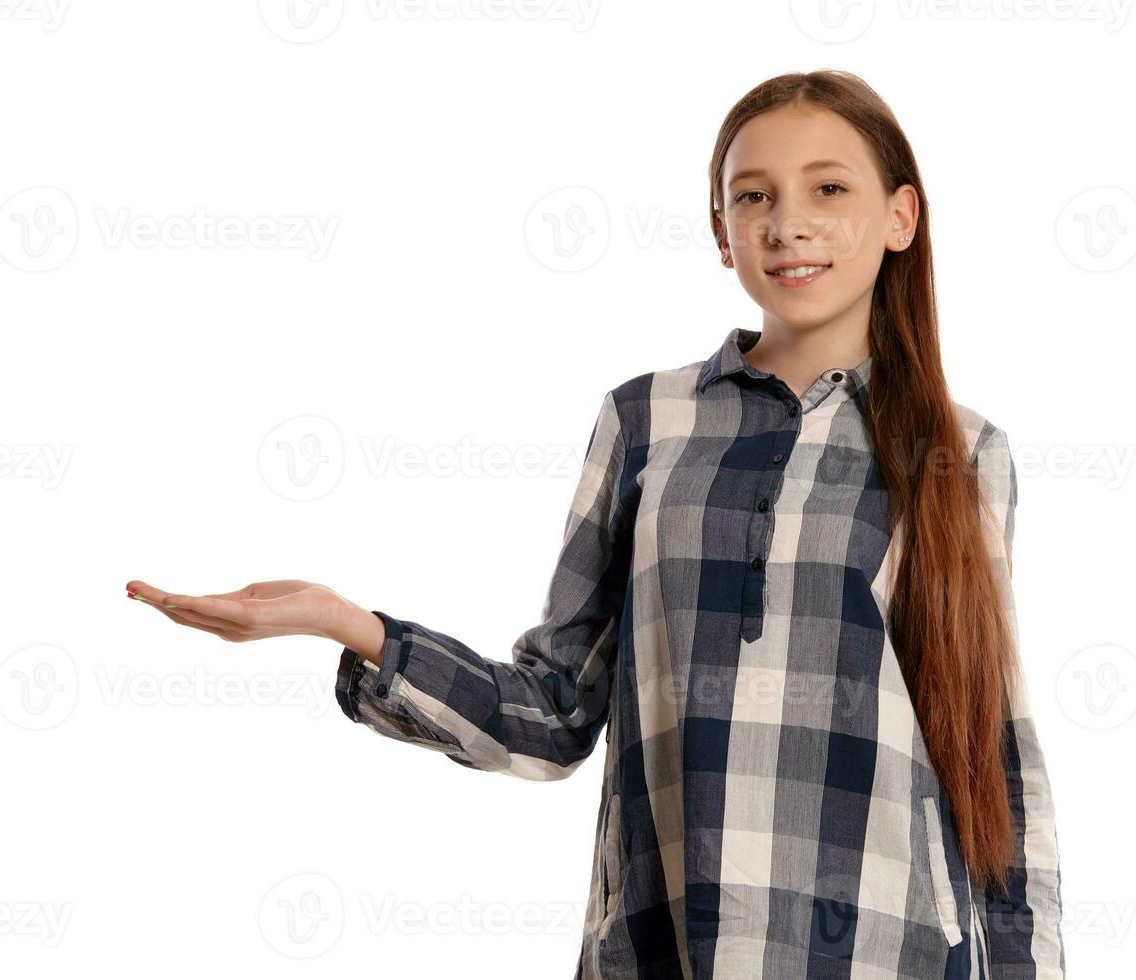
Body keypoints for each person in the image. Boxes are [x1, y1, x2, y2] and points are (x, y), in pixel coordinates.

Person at [127, 69, 1066, 980]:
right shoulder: (645, 421)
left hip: (886, 946)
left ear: (902, 215)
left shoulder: (959, 450)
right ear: (720, 230)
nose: (789, 224)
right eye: (753, 196)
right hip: (667, 942)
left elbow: (989, 753)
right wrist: (352, 627)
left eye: (829, 188)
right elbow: (555, 712)